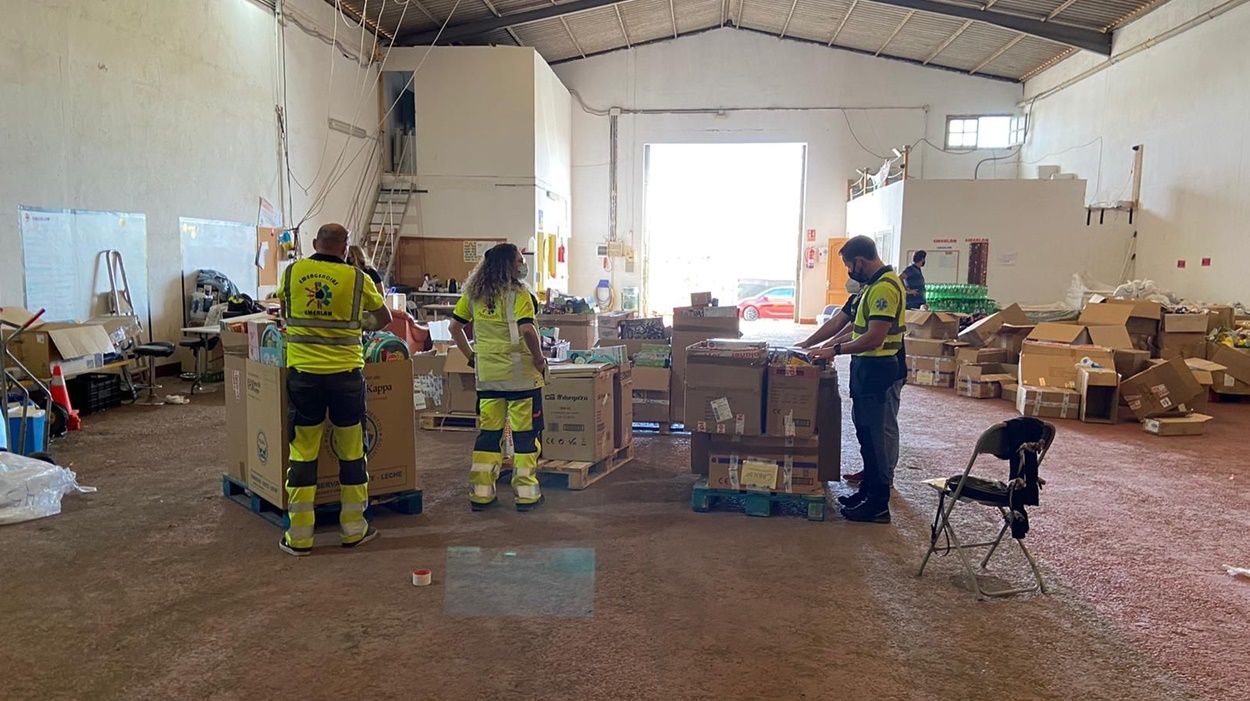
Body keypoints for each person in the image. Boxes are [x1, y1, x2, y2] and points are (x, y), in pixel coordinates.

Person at [276, 223, 393, 556]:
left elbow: (285, 312)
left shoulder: (293, 272)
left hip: (304, 375)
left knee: (303, 450)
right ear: (345, 248)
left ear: (315, 243)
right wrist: (357, 327)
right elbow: (383, 317)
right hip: (345, 375)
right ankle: (354, 528)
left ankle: (299, 535)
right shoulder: (358, 278)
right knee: (352, 448)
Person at [810, 236, 906, 523]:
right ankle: (866, 492)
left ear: (860, 261)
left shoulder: (885, 288)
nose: (850, 272)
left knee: (876, 438)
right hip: (866, 368)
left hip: (879, 369)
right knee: (865, 435)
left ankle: (878, 504)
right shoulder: (872, 287)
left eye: (850, 266)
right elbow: (852, 326)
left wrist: (835, 350)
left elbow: (874, 336)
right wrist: (820, 347)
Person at [449, 244, 548, 512]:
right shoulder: (519, 294)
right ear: (509, 265)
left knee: (489, 436)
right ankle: (526, 494)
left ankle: (481, 493)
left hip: (489, 379)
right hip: (521, 380)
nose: (522, 265)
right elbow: (527, 329)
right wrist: (539, 359)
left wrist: (470, 355)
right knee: (525, 436)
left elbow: (454, 327)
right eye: (519, 261)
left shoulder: (473, 294)